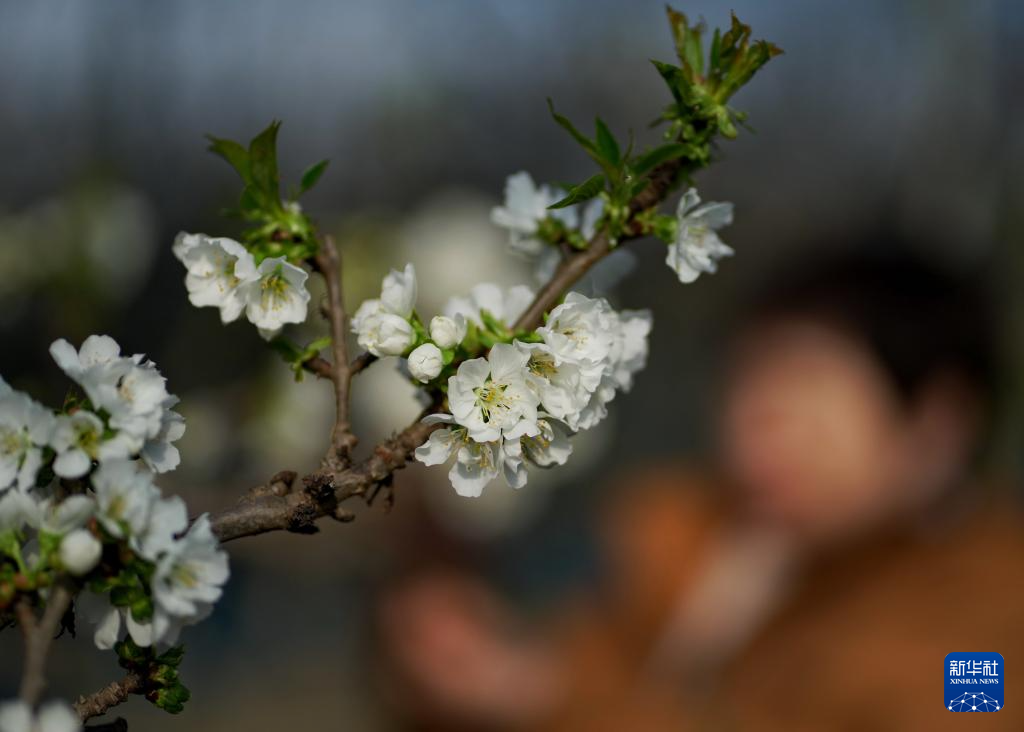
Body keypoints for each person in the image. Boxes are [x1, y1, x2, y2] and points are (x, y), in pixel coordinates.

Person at [377, 247, 1024, 731]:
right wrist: (487, 666)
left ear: (938, 422)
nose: (759, 424)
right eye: (746, 385)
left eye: (807, 387)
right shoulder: (687, 533)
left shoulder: (989, 623)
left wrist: (547, 698)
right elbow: (580, 654)